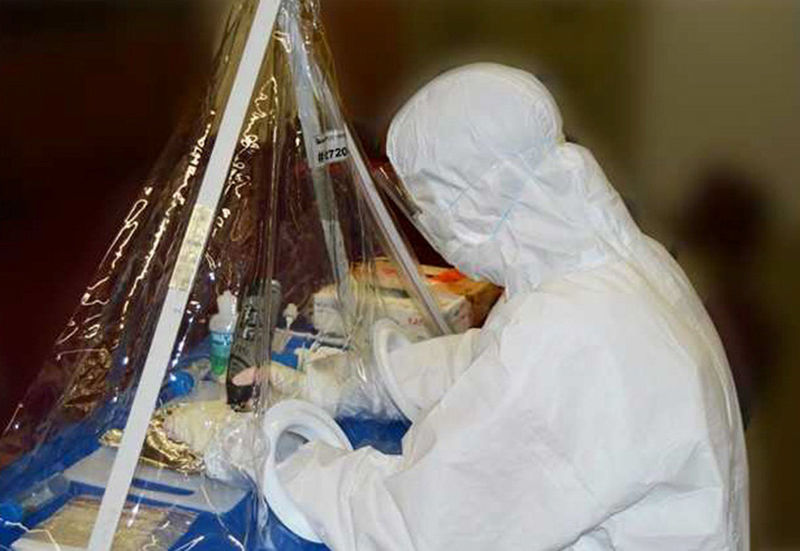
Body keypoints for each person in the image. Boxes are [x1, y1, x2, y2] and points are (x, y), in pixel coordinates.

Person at [276, 63, 749, 550]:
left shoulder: (575, 328)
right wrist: (365, 381)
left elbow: (419, 527)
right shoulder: (611, 261)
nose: (425, 221)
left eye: (425, 202)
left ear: (469, 201)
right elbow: (494, 360)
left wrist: (274, 459)